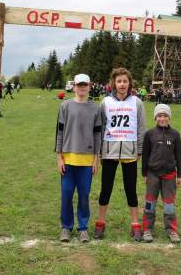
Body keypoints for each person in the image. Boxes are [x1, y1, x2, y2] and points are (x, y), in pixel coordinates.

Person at [94, 68, 146, 242]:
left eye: (125, 81)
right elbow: (100, 128)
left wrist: (140, 149)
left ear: (129, 83)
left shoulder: (137, 102)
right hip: (109, 151)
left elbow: (141, 128)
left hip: (130, 151)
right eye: (119, 81)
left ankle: (135, 224)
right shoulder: (105, 102)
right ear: (113, 83)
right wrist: (100, 151)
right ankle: (101, 222)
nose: (122, 84)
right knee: (105, 189)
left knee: (131, 189)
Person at [55, 73, 102, 243]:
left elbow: (98, 136)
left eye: (85, 85)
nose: (82, 87)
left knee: (84, 194)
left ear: (90, 86)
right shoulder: (65, 106)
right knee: (66, 194)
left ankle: (83, 228)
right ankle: (66, 227)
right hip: (68, 160)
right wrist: (59, 158)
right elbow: (59, 133)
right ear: (74, 86)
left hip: (87, 161)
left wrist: (96, 159)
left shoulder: (96, 108)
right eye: (79, 85)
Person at [141, 104, 181, 243]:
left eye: (165, 116)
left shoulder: (175, 134)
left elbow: (179, 155)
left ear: (169, 117)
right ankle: (147, 229)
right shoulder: (150, 134)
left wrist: (180, 174)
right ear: (155, 117)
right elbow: (145, 155)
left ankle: (171, 229)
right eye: (159, 116)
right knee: (150, 203)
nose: (162, 118)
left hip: (170, 175)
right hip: (152, 174)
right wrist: (144, 173)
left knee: (169, 204)